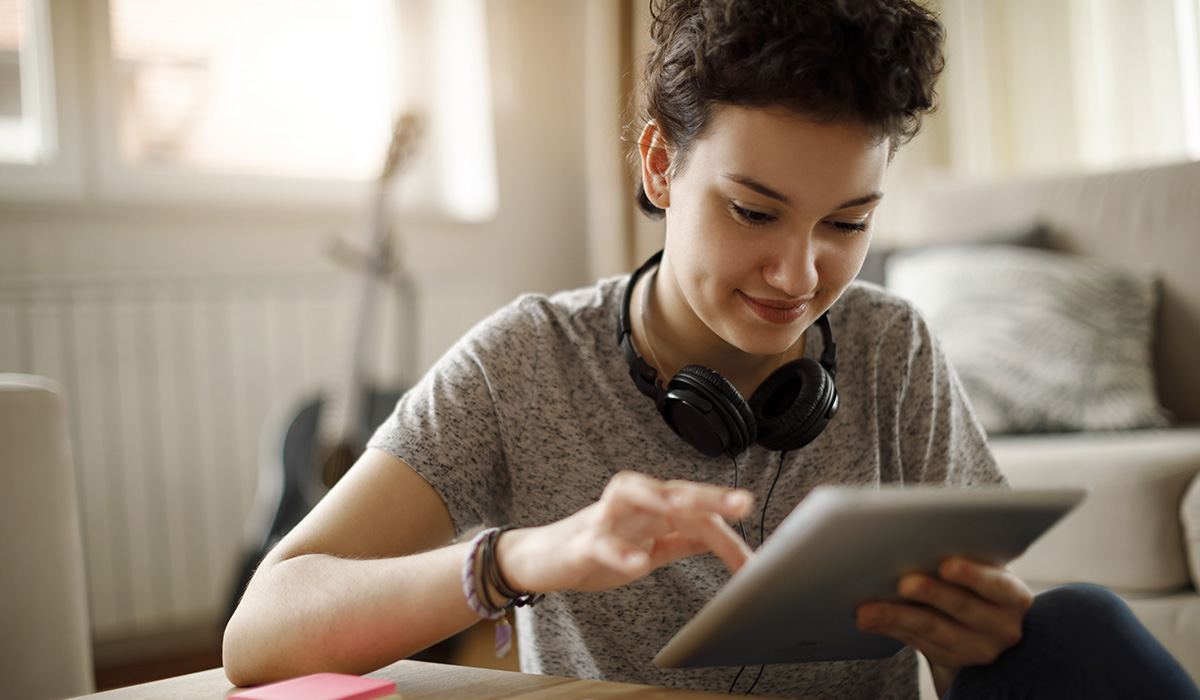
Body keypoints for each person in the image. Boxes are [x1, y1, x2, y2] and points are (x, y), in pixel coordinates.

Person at [223, 1, 1200, 698]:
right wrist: (524, 557)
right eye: (754, 211)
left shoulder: (888, 345)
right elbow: (262, 628)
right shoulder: (525, 361)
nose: (799, 274)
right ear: (660, 163)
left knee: (1076, 625)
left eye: (847, 222)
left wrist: (989, 632)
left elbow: (968, 663)